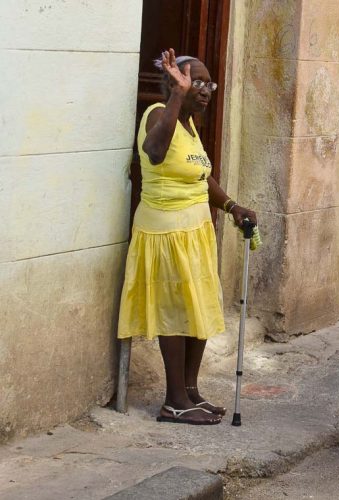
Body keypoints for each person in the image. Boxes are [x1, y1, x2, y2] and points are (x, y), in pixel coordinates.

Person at [118, 49, 256, 425]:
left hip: (195, 232)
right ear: (173, 84)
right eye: (197, 82)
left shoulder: (192, 127)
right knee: (176, 314)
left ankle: (191, 391)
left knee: (198, 308)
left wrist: (231, 207)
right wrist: (177, 96)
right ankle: (174, 400)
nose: (206, 90)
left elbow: (200, 176)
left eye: (209, 83)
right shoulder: (159, 116)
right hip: (166, 232)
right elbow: (156, 154)